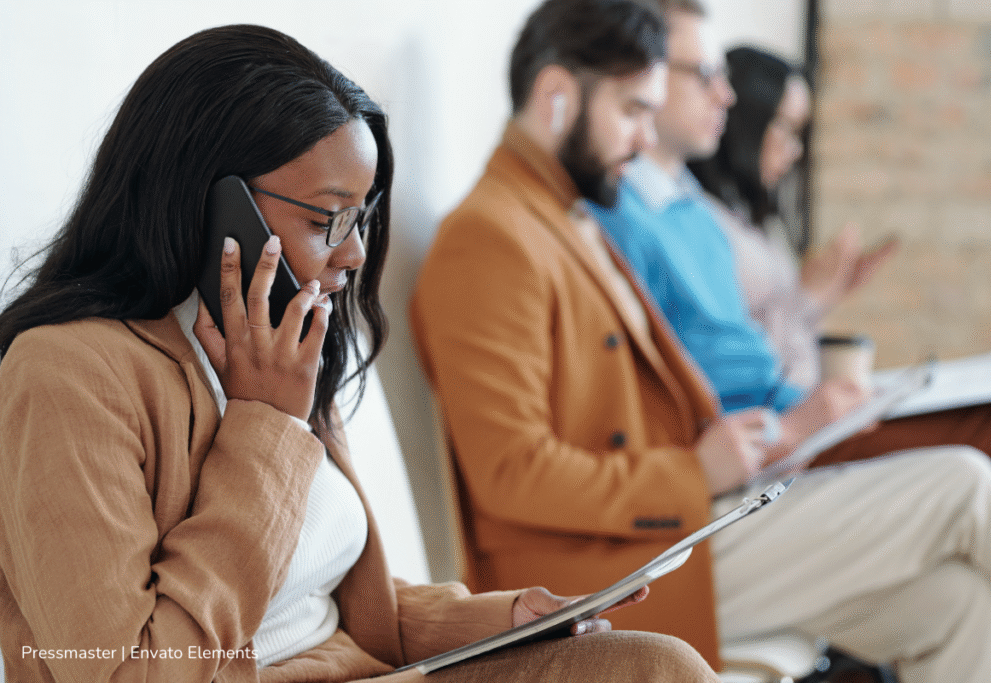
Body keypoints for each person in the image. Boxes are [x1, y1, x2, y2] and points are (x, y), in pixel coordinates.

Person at [0, 24, 719, 683]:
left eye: (364, 217)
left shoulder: (279, 344)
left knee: (656, 666)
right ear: (212, 203)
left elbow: (331, 599)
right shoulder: (67, 374)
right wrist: (264, 428)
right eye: (328, 219)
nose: (355, 253)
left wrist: (500, 618)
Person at [411, 1, 991, 680]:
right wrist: (696, 471)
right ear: (556, 95)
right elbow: (511, 474)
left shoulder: (557, 217)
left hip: (670, 528)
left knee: (958, 604)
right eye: (632, 112)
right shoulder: (491, 236)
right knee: (963, 481)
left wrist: (745, 449)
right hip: (604, 572)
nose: (643, 139)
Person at [591, 1, 991, 504]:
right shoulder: (619, 216)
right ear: (647, 78)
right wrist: (799, 413)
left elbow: (750, 359)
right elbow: (689, 397)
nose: (724, 96)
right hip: (766, 447)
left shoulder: (691, 213)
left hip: (793, 418)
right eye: (706, 75)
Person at [688, 45, 898, 389]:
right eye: (783, 127)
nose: (794, 149)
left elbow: (787, 330)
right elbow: (739, 357)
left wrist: (831, 288)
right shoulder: (702, 222)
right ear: (746, 123)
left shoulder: (753, 221)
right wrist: (808, 294)